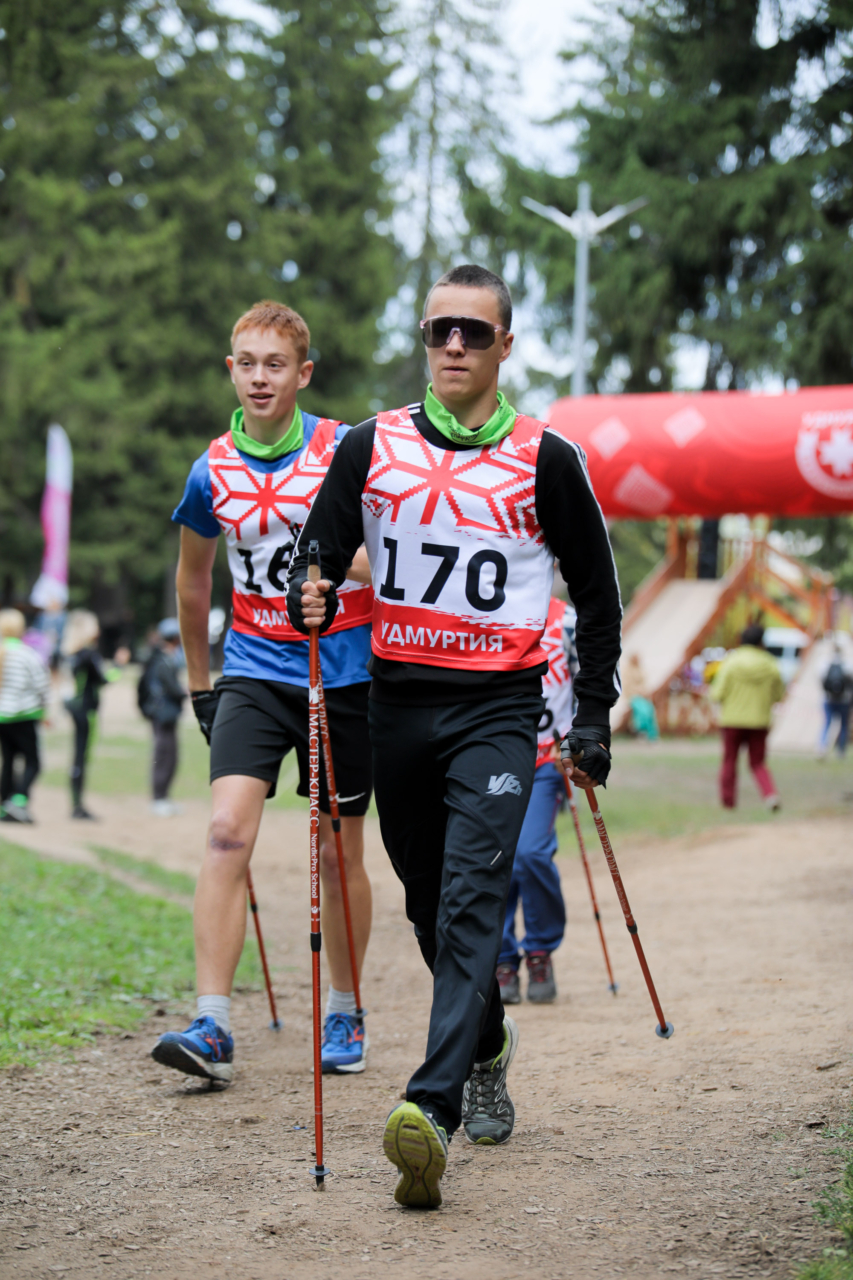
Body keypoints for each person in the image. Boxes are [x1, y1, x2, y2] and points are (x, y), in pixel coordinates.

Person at [287, 264, 622, 1208]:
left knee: (478, 893)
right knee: (428, 907)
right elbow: (313, 554)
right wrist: (307, 592)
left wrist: (590, 713)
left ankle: (428, 1106)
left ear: (505, 346)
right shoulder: (370, 445)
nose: (455, 348)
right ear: (424, 339)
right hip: (397, 705)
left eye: (475, 334)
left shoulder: (545, 456)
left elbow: (596, 599)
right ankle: (483, 1046)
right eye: (441, 331)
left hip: (496, 710)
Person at [151, 300, 375, 1085]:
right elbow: (192, 580)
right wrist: (199, 684)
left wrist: (330, 564)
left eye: (274, 364)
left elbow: (388, 562)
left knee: (332, 845)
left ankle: (344, 1006)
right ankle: (211, 1024)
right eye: (245, 363)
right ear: (229, 370)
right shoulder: (212, 467)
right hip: (251, 670)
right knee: (224, 834)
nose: (258, 377)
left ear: (302, 373)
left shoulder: (344, 449)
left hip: (340, 673)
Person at [497, 595, 577, 1006]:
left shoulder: (566, 620)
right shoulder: (483, 604)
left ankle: (541, 950)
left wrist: (583, 737)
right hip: (492, 754)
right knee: (497, 856)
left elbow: (590, 680)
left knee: (530, 853)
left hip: (547, 759)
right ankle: (503, 958)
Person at [61, 610, 128, 820]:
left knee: (77, 756)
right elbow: (105, 679)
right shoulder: (89, 654)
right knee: (81, 757)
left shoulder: (72, 653)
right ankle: (77, 806)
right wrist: (119, 665)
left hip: (75, 708)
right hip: (86, 710)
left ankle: (76, 803)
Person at [710, 624, 784, 811]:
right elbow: (778, 695)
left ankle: (728, 802)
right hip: (759, 721)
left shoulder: (731, 662)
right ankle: (770, 795)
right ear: (761, 641)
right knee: (758, 763)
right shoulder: (770, 664)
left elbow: (717, 693)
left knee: (729, 761)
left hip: (732, 721)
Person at [0, 608, 50, 824]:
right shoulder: (26, 653)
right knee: (33, 762)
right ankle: (18, 801)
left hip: (2, 716)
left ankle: (4, 804)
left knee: (9, 761)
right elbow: (42, 685)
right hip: (24, 714)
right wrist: (45, 710)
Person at [138, 618, 187, 816]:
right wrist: (188, 692)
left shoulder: (166, 657)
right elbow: (172, 688)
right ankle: (158, 798)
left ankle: (164, 797)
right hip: (162, 715)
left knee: (171, 756)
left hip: (168, 715)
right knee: (163, 756)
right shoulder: (163, 659)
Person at [817, 641, 853, 759]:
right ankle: (841, 750)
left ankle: (822, 747)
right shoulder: (847, 664)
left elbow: (821, 679)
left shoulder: (825, 664)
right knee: (843, 725)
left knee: (827, 723)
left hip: (828, 699)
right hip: (844, 700)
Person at [622, 652, 659, 741]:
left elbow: (644, 684)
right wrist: (639, 691)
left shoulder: (640, 669)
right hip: (633, 696)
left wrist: (645, 692)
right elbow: (627, 686)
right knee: (642, 711)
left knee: (650, 709)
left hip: (643, 696)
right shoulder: (627, 670)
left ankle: (652, 736)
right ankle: (641, 732)